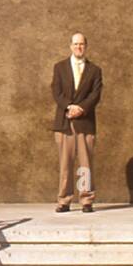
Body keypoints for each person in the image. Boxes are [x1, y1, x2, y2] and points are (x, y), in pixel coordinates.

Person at [50, 32, 102, 212]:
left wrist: (80, 109)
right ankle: (64, 200)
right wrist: (69, 107)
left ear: (85, 46)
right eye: (75, 44)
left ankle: (86, 200)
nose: (79, 47)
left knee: (85, 165)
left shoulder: (95, 70)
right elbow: (56, 92)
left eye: (82, 44)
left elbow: (95, 95)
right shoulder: (59, 67)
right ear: (70, 46)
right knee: (65, 163)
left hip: (85, 123)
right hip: (64, 123)